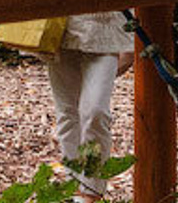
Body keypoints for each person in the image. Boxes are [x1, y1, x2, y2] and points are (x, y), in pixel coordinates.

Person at [46, 12, 133, 200]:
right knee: (68, 113)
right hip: (60, 27)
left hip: (105, 28)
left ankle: (91, 190)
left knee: (95, 111)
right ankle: (76, 186)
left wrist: (129, 41)